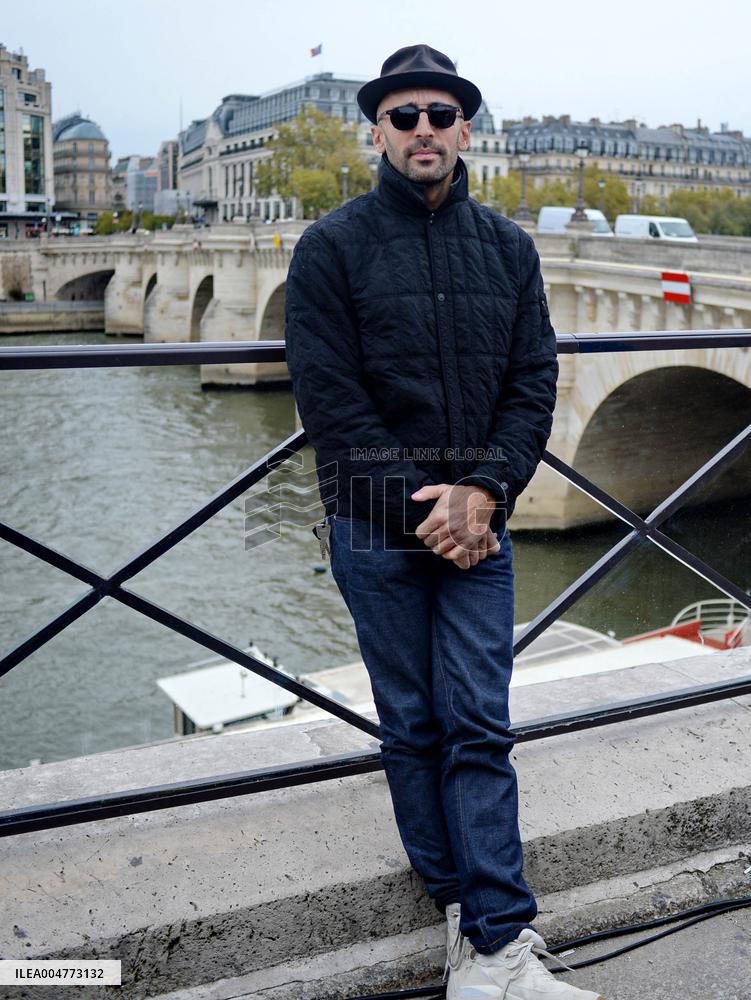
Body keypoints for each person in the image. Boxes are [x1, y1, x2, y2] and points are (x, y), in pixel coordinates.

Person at [285, 43, 605, 1000]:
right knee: (412, 722)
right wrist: (432, 509)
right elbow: (331, 402)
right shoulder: (330, 247)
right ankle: (456, 903)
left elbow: (531, 382)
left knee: (476, 721)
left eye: (438, 114)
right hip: (377, 528)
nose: (421, 130)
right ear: (377, 132)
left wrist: (483, 492)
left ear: (465, 128)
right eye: (402, 116)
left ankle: (498, 939)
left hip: (479, 520)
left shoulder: (507, 247)